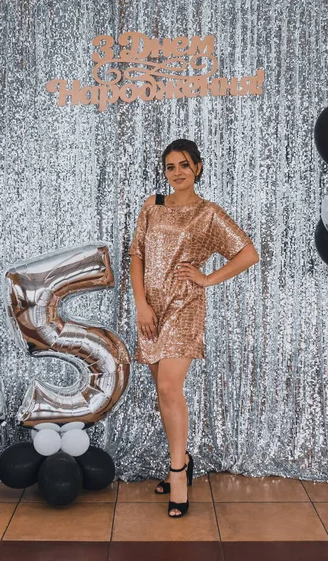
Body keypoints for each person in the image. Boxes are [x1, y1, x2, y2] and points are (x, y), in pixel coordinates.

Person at [128, 139, 260, 518]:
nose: (177, 172)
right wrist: (140, 304)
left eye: (184, 164)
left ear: (198, 167)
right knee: (162, 390)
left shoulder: (209, 213)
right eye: (170, 166)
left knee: (170, 386)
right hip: (150, 309)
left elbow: (248, 253)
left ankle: (178, 473)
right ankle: (182, 456)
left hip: (185, 306)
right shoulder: (151, 207)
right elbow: (136, 255)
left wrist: (207, 279)